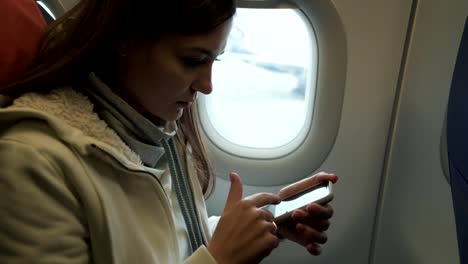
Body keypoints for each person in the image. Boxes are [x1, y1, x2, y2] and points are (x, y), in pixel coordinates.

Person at [0, 0, 338, 263]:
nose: (206, 86)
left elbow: (170, 244)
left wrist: (260, 226)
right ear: (126, 40)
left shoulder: (156, 129)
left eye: (213, 61)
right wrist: (219, 261)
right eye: (193, 60)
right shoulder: (31, 163)